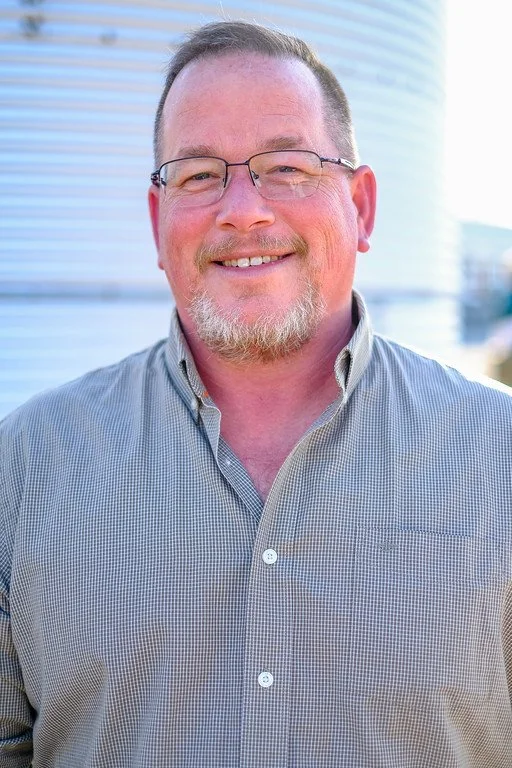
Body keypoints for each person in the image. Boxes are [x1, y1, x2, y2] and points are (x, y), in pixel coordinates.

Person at [1, 19, 512, 768]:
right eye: (200, 174)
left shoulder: (497, 455)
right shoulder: (22, 469)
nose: (242, 210)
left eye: (287, 166)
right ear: (158, 220)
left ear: (361, 207)